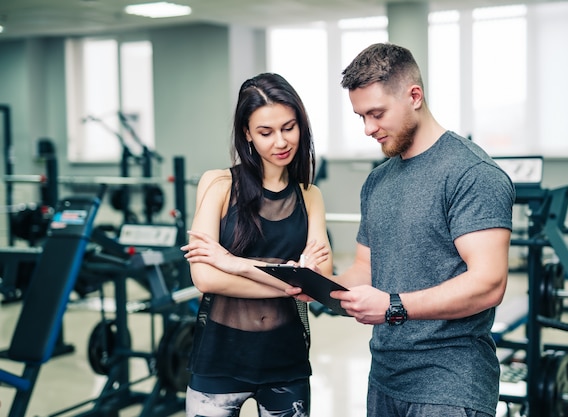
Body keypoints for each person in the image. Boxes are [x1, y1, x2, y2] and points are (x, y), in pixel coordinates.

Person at [292, 43, 515, 417]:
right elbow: (366, 269)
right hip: (385, 378)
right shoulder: (378, 181)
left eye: (376, 114)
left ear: (414, 96)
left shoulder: (471, 173)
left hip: (450, 384)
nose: (367, 128)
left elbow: (489, 284)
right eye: (361, 116)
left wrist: (394, 306)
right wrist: (321, 286)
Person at [181, 72, 333, 417]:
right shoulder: (218, 185)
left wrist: (235, 264)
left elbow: (319, 282)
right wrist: (290, 280)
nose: (280, 142)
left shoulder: (310, 196)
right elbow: (205, 278)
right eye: (266, 132)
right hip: (219, 358)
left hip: (286, 359)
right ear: (247, 134)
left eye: (288, 127)